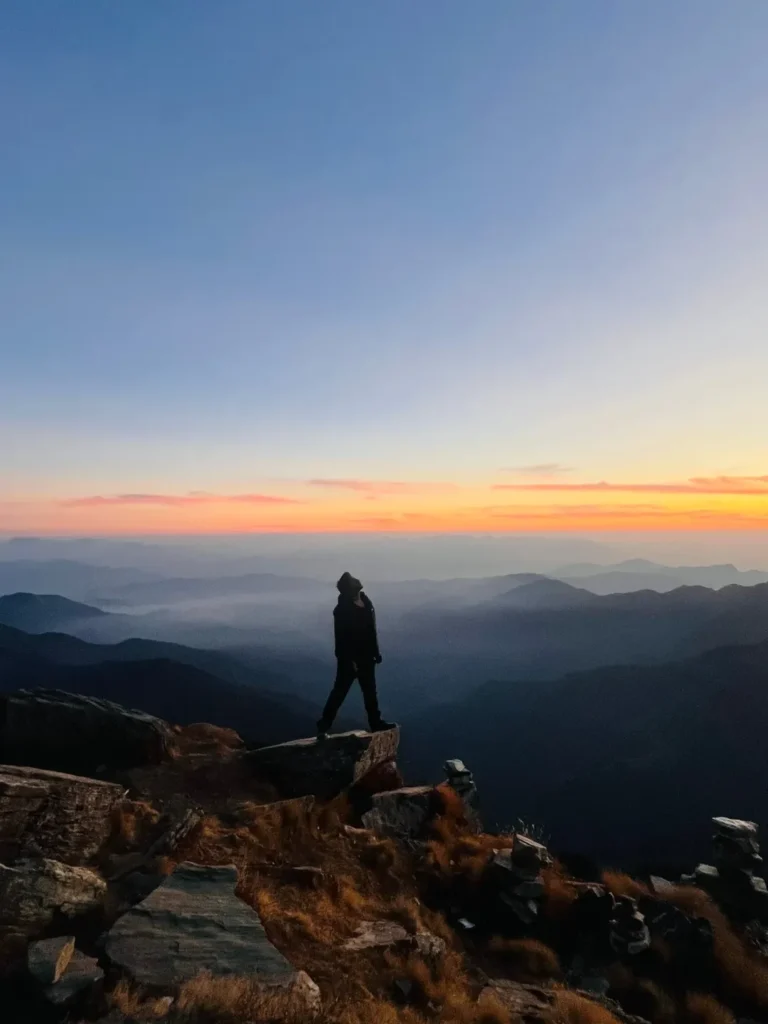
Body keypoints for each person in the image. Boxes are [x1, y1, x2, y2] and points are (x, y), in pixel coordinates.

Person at [317, 572, 395, 739]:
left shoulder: (366, 601)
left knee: (370, 692)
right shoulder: (342, 610)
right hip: (350, 659)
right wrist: (348, 661)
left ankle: (376, 723)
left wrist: (376, 652)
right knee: (339, 692)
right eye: (352, 580)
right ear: (349, 589)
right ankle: (323, 725)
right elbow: (341, 639)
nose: (356, 580)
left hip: (367, 657)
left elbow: (371, 630)